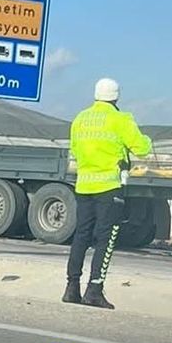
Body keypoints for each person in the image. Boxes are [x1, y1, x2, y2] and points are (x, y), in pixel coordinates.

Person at [64, 78, 153, 309]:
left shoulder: (80, 119)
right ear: (116, 97)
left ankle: (71, 287)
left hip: (84, 186)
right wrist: (145, 139)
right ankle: (94, 290)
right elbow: (142, 148)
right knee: (105, 239)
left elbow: (75, 150)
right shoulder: (120, 119)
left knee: (81, 236)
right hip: (109, 187)